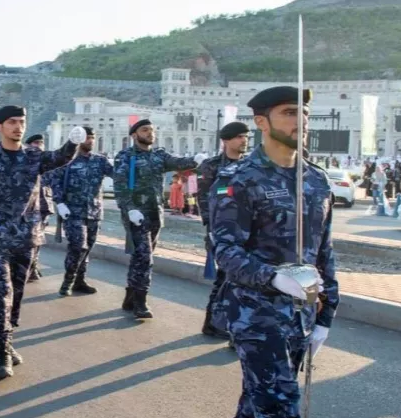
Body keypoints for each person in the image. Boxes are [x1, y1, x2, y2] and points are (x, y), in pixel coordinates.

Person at [209, 85, 345, 418]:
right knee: (282, 409)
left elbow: (323, 253)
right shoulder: (238, 180)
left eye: (304, 114)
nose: (300, 121)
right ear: (262, 123)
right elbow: (225, 252)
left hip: (300, 316)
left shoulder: (317, 181)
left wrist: (327, 312)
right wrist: (274, 278)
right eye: (289, 113)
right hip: (255, 315)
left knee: (258, 399)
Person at [0, 105, 82, 380]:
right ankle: (0, 350)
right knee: (0, 292)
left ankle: (8, 337)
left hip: (27, 237)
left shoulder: (33, 157)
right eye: (12, 122)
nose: (18, 127)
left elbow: (60, 158)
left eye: (21, 122)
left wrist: (73, 142)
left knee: (16, 292)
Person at [113, 119, 201, 319]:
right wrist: (130, 210)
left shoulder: (159, 155)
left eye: (152, 130)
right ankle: (141, 302)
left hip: (155, 214)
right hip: (137, 215)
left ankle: (130, 295)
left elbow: (178, 163)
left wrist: (196, 159)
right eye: (145, 130)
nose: (150, 133)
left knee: (140, 257)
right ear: (134, 135)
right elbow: (120, 186)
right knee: (145, 258)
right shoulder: (125, 157)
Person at [198, 121, 251, 338]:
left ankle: (228, 325)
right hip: (221, 232)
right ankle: (213, 323)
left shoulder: (250, 166)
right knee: (224, 278)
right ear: (226, 140)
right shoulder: (211, 166)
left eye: (246, 137)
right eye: (239, 137)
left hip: (246, 231)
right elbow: (203, 198)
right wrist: (210, 228)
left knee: (241, 280)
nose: (244, 141)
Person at [50, 126, 113, 297]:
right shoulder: (66, 160)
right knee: (78, 246)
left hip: (94, 212)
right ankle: (67, 281)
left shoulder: (100, 161)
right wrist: (59, 203)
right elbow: (55, 181)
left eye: (92, 138)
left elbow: (118, 175)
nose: (90, 141)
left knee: (87, 248)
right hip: (73, 212)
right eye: (87, 138)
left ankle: (80, 281)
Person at [24, 133, 51, 282]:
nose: (38, 145)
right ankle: (28, 268)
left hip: (44, 207)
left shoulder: (47, 163)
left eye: (41, 142)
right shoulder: (26, 162)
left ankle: (33, 267)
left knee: (38, 241)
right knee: (29, 242)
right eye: (35, 142)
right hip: (29, 210)